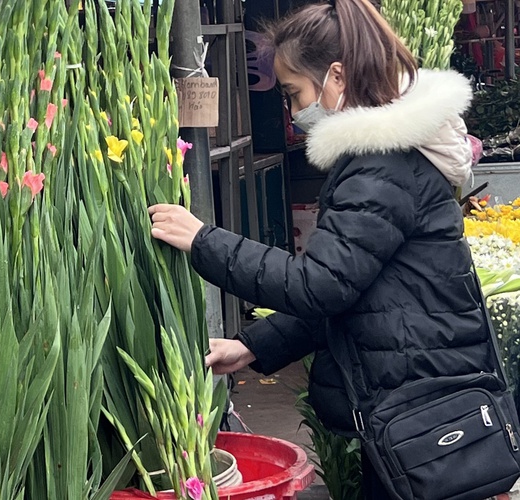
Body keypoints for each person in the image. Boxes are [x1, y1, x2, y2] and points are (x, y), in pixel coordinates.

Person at [148, 0, 490, 496]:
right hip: (419, 411)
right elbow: (355, 289)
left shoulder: (380, 169)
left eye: (293, 94)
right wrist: (255, 345)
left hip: (422, 419)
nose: (292, 113)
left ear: (336, 77)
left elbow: (320, 285)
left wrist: (203, 239)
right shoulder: (387, 159)